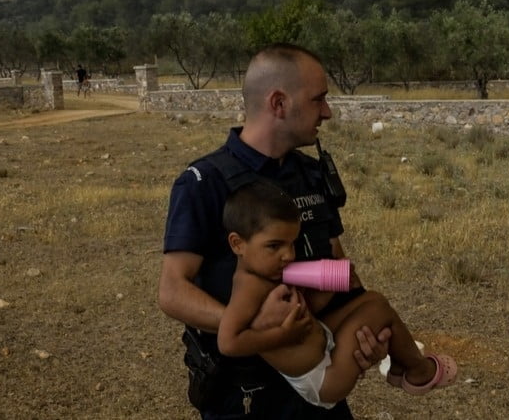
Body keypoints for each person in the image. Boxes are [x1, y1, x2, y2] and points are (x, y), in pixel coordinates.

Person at [159, 43, 391, 419]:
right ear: (279, 103)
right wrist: (250, 322)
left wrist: (364, 336)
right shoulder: (205, 183)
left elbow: (339, 268)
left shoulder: (311, 174)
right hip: (248, 398)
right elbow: (172, 291)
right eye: (319, 100)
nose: (328, 112)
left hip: (317, 386)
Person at [217, 181, 457, 409]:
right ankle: (418, 371)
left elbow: (309, 308)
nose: (288, 255)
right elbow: (228, 343)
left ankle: (399, 366)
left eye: (292, 244)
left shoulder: (268, 272)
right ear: (237, 244)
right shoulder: (248, 287)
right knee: (378, 310)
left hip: (324, 342)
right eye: (274, 245)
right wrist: (282, 334)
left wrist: (334, 285)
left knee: (373, 300)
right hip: (324, 378)